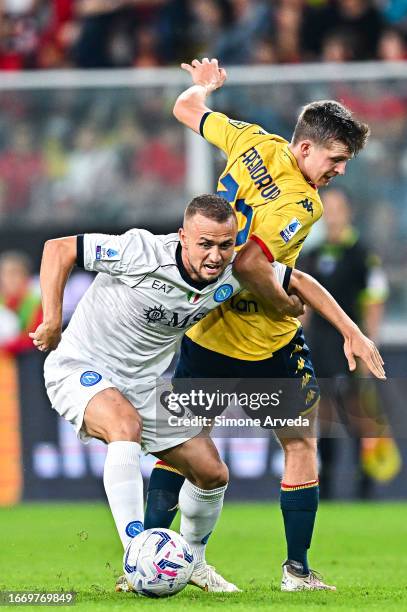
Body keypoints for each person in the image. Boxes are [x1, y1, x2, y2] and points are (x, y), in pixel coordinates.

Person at [30, 194, 383, 594]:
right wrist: (53, 318)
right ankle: (137, 554)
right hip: (80, 368)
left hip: (142, 386)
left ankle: (194, 561)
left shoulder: (235, 270)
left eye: (225, 244)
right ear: (183, 237)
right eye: (205, 244)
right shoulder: (140, 251)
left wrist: (352, 331)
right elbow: (57, 249)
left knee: (212, 473)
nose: (215, 256)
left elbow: (299, 280)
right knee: (123, 425)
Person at [144, 57, 379, 592]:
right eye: (336, 159)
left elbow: (186, 107)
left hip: (206, 332)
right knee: (297, 445)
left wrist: (203, 84)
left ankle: (146, 556)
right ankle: (295, 572)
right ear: (305, 148)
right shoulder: (303, 203)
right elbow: (252, 264)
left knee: (184, 446)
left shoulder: (252, 141)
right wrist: (280, 304)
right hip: (261, 340)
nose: (339, 170)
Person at [302, 188, 400, 499]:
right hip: (319, 349)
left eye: (337, 207)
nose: (331, 214)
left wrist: (369, 347)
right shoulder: (312, 255)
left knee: (358, 419)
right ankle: (327, 489)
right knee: (324, 419)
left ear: (348, 212)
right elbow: (302, 307)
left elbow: (374, 302)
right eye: (326, 208)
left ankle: (364, 489)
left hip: (350, 349)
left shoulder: (362, 255)